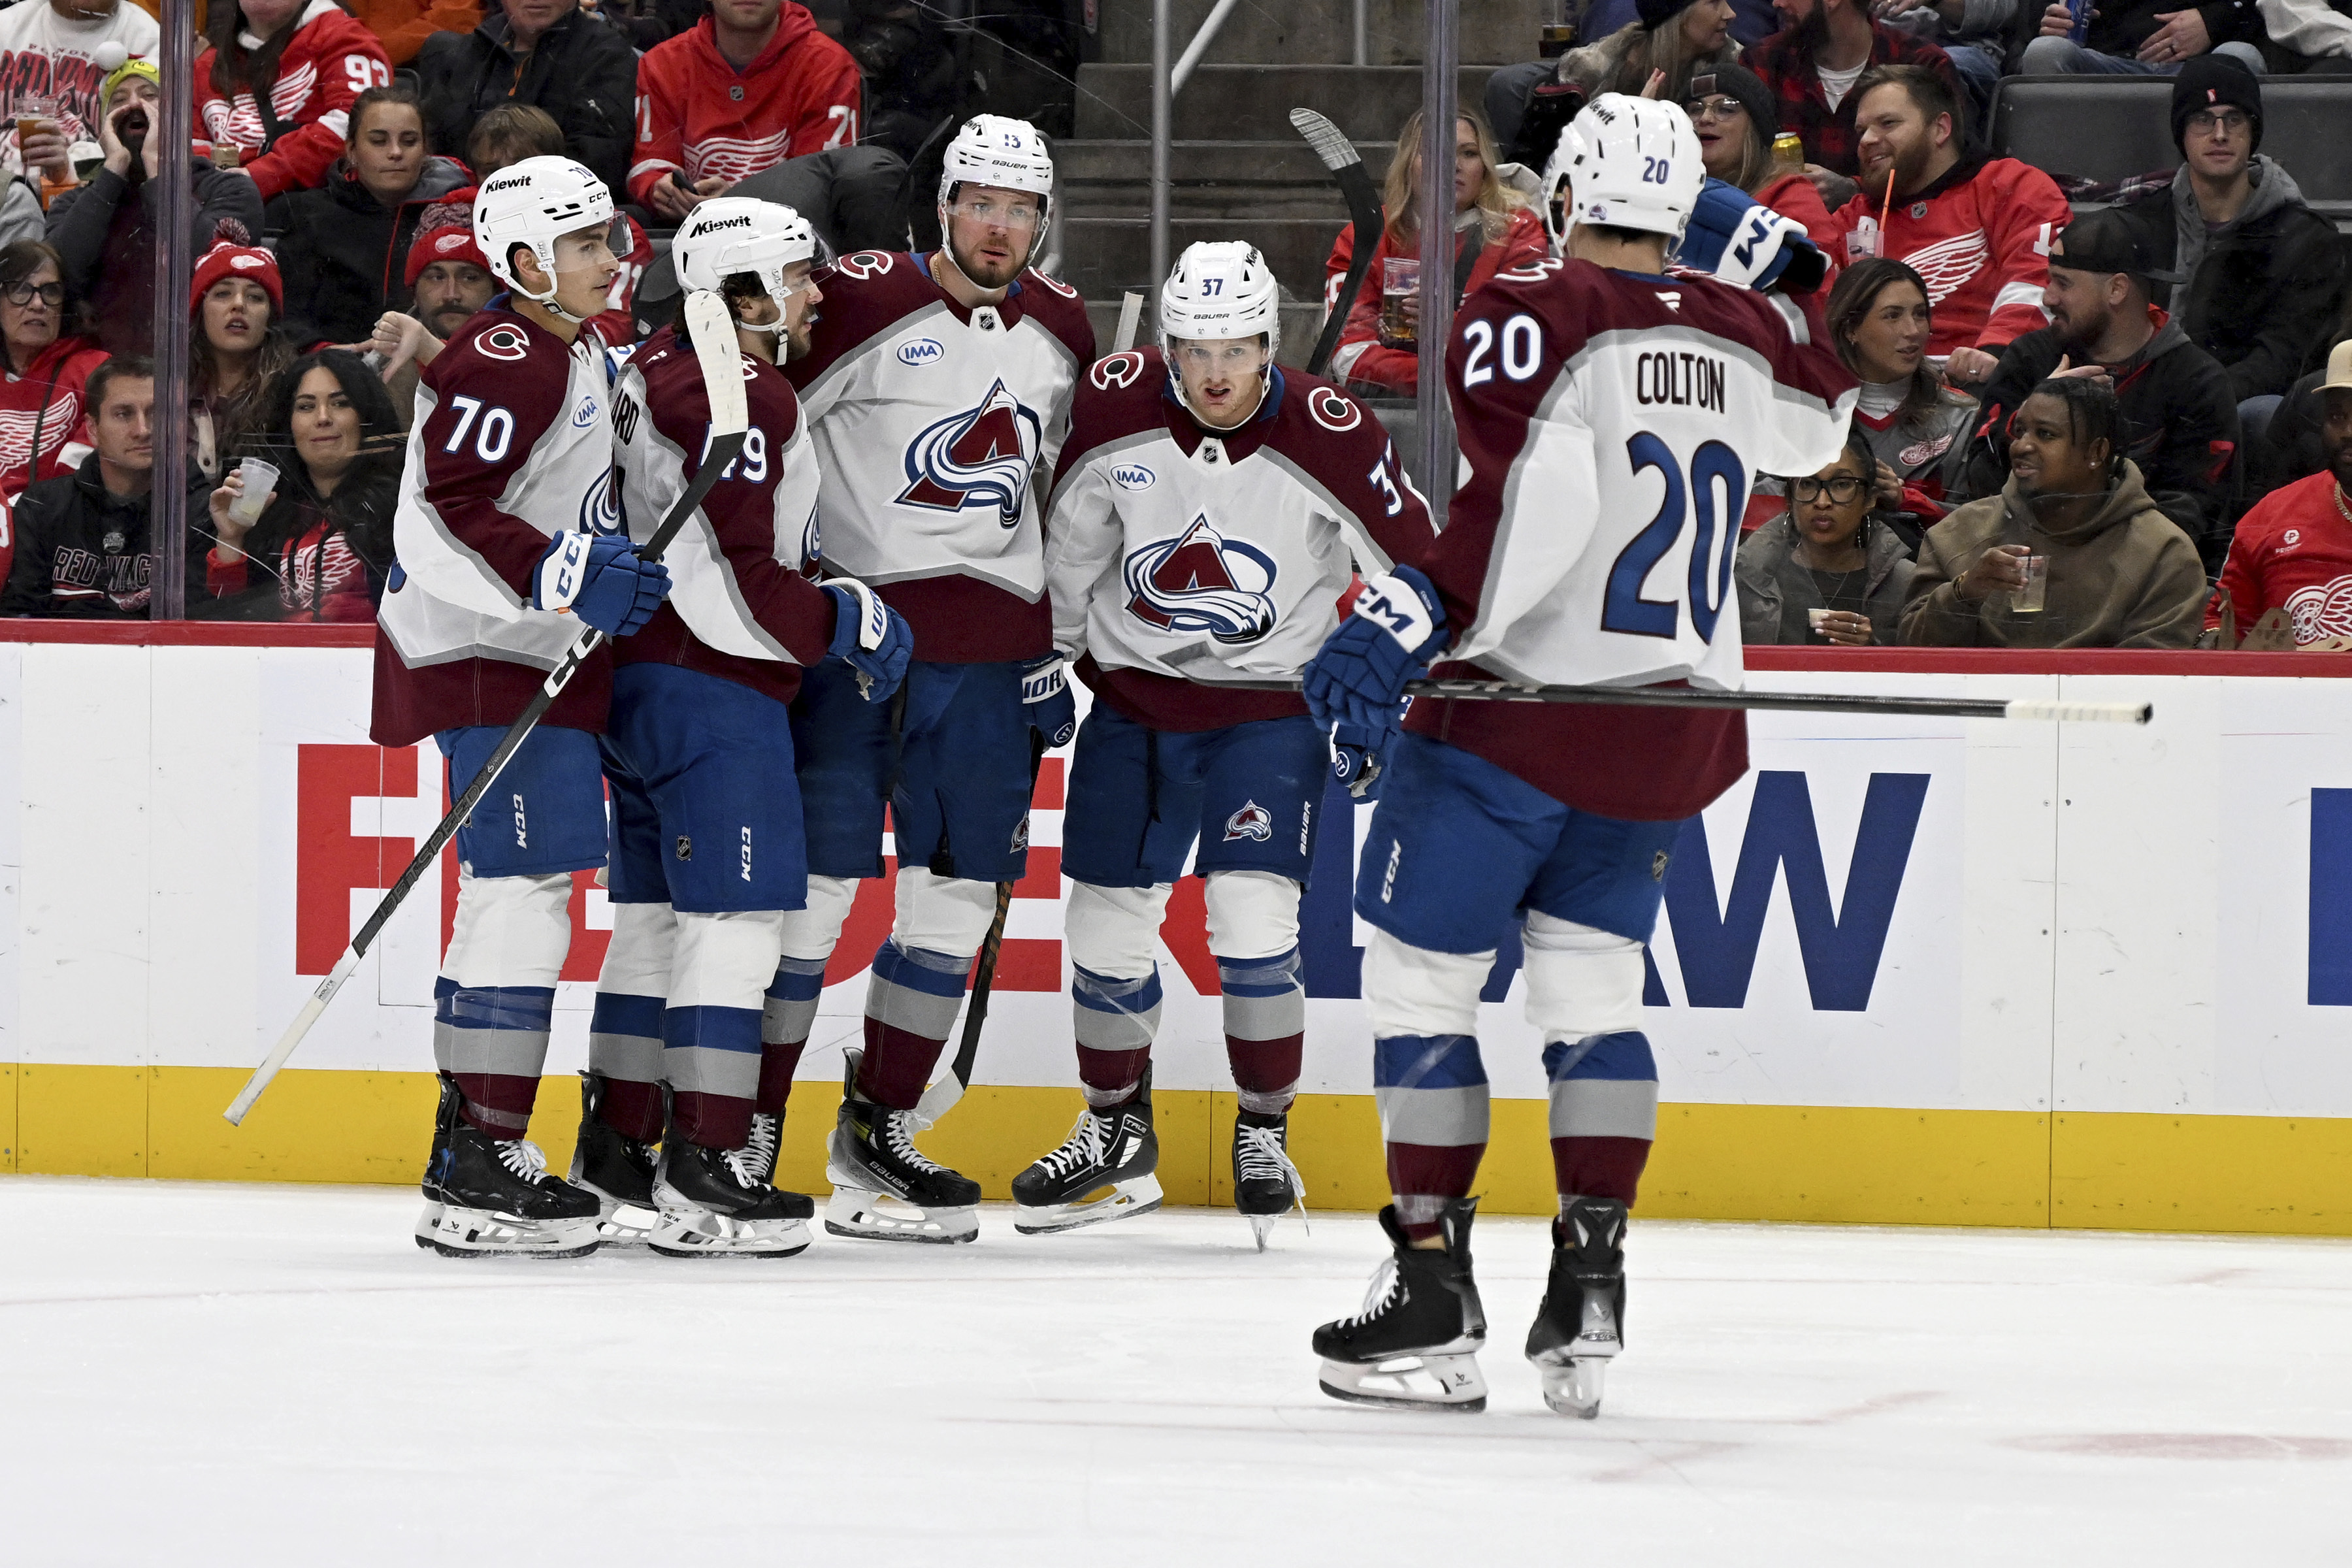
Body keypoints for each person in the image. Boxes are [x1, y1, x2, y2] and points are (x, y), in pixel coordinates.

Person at [1300, 97, 1855, 1416]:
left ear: (1566, 197)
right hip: (1668, 722)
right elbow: (1826, 420)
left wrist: (1406, 613)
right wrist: (1786, 268)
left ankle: (1432, 1293)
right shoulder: (1735, 327)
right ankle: (1590, 1289)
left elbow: (1513, 507)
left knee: (1427, 995)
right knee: (1594, 1000)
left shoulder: (1539, 293)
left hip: (1522, 712)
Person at [1015, 242, 1439, 1247]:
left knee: (1252, 928)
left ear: (1270, 343)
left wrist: (1384, 676)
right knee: (1105, 930)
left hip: (1266, 712)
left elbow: (1418, 570)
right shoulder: (1117, 410)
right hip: (1135, 704)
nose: (1215, 371)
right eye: (1196, 348)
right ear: (1167, 346)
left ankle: (1263, 1130)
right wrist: (1048, 657)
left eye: (1238, 348)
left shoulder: (1330, 433)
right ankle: (1115, 1131)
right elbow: (1072, 540)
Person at [776, 115, 1094, 1246]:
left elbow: (1076, 493)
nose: (1001, 228)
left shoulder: (1062, 326)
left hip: (996, 659)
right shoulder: (858, 299)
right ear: (942, 208)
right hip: (862, 646)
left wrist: (1058, 641)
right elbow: (764, 435)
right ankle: (751, 1138)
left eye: (1022, 210)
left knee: (954, 902)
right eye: (982, 204)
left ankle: (879, 1130)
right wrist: (794, 591)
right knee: (810, 900)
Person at [578, 198, 912, 1256]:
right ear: (744, 295)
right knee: (738, 927)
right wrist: (842, 619)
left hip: (635, 682)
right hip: (710, 685)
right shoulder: (746, 393)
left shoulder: (653, 364)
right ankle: (710, 1162)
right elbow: (736, 575)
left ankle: (623, 1146)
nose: (816, 293)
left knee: (651, 925)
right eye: (797, 277)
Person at [372, 158, 672, 1258]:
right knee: (522, 889)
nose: (613, 255)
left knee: (517, 890)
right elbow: (441, 513)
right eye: (588, 242)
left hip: (531, 649)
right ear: (529, 263)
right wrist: (562, 575)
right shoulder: (506, 357)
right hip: (491, 653)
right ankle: (484, 1155)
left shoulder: (577, 346)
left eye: (608, 237)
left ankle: (472, 1144)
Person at [1952, 209, 2242, 568]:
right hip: (2022, 563)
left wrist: (2088, 547)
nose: (2047, 298)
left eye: (2063, 283)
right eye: (2048, 280)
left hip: (2136, 578)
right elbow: (1980, 484)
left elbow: (2197, 513)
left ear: (2117, 289)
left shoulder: (2195, 380)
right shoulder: (2030, 359)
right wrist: (2034, 415)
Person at [2117, 60, 2344, 437]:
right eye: (2203, 119)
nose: (2219, 134)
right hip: (2139, 398)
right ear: (2182, 133)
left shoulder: (2306, 237)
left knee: (2264, 413)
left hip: (2238, 406)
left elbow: (2281, 358)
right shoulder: (2141, 223)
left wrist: (2192, 398)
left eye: (2234, 119)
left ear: (2253, 131)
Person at [1903, 378, 2206, 646]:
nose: (2021, 446)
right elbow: (1908, 655)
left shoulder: (2164, 553)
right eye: (2020, 431)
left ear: (2096, 453)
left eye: (2045, 434)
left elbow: (2156, 680)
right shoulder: (1959, 532)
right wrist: (1963, 592)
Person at [1825, 65, 2072, 384]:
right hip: (1873, 388)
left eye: (1888, 124)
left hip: (1985, 382)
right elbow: (1817, 303)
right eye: (1862, 131)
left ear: (1940, 129)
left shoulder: (2009, 185)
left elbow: (2038, 280)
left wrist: (1996, 352)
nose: (1868, 140)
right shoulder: (1853, 217)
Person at [44, 54, 265, 357]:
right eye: (119, 99)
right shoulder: (75, 203)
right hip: (101, 375)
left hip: (198, 369)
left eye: (150, 95)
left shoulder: (228, 189)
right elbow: (56, 279)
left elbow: (210, 267)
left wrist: (158, 169)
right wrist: (113, 170)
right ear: (103, 127)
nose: (135, 105)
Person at [1320, 106, 1547, 397]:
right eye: (1433, 150)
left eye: (1469, 153)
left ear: (1485, 169)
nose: (1453, 164)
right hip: (1387, 415)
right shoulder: (1365, 236)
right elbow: (1347, 355)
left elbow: (1520, 356)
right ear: (1407, 165)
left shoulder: (1518, 232)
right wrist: (1446, 378)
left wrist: (1451, 326)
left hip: (1483, 419)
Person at [1, 355, 208, 617]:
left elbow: (203, 627)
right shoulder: (42, 508)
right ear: (93, 428)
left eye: (157, 413)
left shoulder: (202, 508)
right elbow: (20, 621)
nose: (143, 430)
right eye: (124, 414)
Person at [268, 83, 472, 348]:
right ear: (352, 150)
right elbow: (289, 316)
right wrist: (330, 356)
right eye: (379, 141)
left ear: (425, 151)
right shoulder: (309, 214)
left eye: (409, 142)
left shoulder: (457, 214)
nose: (396, 152)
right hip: (331, 370)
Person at [199, 348, 397, 621]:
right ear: (289, 423)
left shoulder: (402, 507)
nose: (323, 417)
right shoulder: (272, 510)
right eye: (306, 406)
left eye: (340, 403)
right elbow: (230, 620)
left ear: (365, 416)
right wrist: (232, 537)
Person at [628, 0, 862, 221]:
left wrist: (740, 202)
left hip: (792, 243)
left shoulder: (829, 65)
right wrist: (659, 188)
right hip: (686, 236)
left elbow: (822, 185)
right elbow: (651, 163)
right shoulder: (661, 64)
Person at [2206, 340, 2352, 649]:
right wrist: (2212, 641)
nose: (2349, 432)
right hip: (2286, 692)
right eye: (2338, 417)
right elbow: (2223, 625)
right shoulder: (2273, 514)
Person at [463, 106, 650, 346]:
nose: (508, 182)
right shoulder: (462, 229)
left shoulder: (608, 229)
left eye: (523, 166)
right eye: (491, 171)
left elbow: (610, 335)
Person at [414, 0, 636, 199]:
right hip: (462, 204)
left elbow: (598, 162)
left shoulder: (608, 55)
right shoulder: (465, 53)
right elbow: (435, 150)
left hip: (558, 212)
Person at [1742, 0, 1960, 186]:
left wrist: (1856, 189)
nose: (1777, 3)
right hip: (1786, 225)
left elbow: (1948, 173)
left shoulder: (1923, 65)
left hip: (1899, 225)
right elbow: (1740, 171)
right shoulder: (1761, 62)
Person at [195, 0, 394, 203]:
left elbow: (359, 128)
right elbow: (188, 153)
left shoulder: (344, 37)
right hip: (223, 210)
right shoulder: (207, 65)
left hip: (320, 212)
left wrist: (259, 176)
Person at [1826, 255, 1974, 523]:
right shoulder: (1807, 414)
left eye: (1920, 314)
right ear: (1851, 329)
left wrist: (1905, 499)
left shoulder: (1962, 417)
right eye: (1893, 316)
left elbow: (1987, 522)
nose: (1913, 330)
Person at [1737, 427, 1918, 643]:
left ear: (1870, 499)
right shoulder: (1745, 576)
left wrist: (1872, 654)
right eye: (1807, 484)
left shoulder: (1906, 583)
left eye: (1842, 485)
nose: (1822, 502)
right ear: (1789, 498)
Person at [0, 242, 108, 529]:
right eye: (21, 289)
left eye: (50, 291)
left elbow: (86, 475)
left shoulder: (96, 369)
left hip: (61, 532)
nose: (38, 304)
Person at [359, 198, 497, 423]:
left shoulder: (536, 353)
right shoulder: (377, 369)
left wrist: (428, 348)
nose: (451, 294)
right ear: (414, 290)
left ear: (496, 288)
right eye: (436, 277)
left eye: (470, 278)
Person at [1683, 63, 1839, 252]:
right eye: (1695, 109)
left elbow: (1818, 274)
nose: (1705, 118)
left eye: (1725, 109)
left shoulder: (1791, 197)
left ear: (1756, 130)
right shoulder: (1668, 193)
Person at [0, 0, 157, 177]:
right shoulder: (7, 26)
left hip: (96, 193)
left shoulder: (149, 39)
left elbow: (145, 156)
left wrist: (70, 170)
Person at [189, 241, 298, 483]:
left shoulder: (292, 393)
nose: (239, 304)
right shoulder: (168, 390)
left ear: (270, 317)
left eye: (255, 297)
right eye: (223, 293)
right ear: (200, 311)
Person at [2017, 0, 2267, 76]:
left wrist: (2212, 21)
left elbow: (2264, 9)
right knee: (2045, 51)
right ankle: (2053, 191)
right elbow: (2020, 42)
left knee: (2242, 58)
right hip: (2102, 65)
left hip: (2202, 67)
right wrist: (2051, 24)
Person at [1556, 0, 1742, 101]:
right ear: (1678, 18)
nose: (1730, 14)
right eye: (1714, 2)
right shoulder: (1590, 73)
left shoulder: (1734, 60)